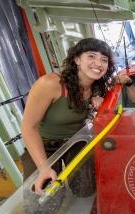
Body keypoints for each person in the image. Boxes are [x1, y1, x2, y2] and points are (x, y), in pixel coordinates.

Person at [21, 38, 115, 196]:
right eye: (91, 56)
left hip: (76, 142)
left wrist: (101, 94)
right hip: (45, 145)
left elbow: (115, 83)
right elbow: (29, 128)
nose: (98, 63)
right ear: (77, 59)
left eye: (104, 59)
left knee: (85, 190)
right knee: (41, 201)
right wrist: (44, 168)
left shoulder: (97, 86)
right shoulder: (50, 84)